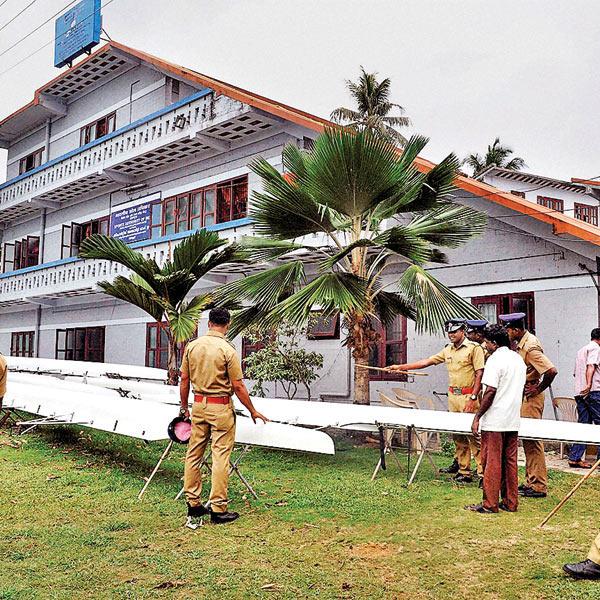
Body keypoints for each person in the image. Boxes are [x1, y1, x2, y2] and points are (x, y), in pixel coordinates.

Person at [180, 308, 268, 527]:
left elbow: (184, 380)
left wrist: (184, 407)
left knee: (193, 454)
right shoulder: (228, 350)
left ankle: (193, 502)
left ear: (209, 323)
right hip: (220, 408)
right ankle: (218, 508)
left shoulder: (192, 346)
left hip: (198, 404)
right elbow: (238, 385)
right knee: (220, 456)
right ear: (227, 324)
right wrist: (252, 410)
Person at [388, 318, 485, 483]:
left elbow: (479, 373)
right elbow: (427, 361)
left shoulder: (474, 349)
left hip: (469, 396)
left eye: (454, 332)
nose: (451, 335)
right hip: (453, 396)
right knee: (458, 435)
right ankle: (464, 471)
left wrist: (474, 396)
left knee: (474, 435)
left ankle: (484, 473)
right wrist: (401, 368)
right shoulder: (447, 350)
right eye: (449, 332)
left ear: (463, 331)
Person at [465, 325, 526, 513]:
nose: (485, 346)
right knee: (510, 461)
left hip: (495, 419)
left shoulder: (494, 360)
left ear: (493, 343)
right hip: (512, 419)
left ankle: (490, 504)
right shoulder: (518, 360)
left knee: (491, 461)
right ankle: (510, 502)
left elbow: (490, 390)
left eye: (486, 343)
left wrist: (477, 416)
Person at [500, 313, 557, 498]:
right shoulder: (522, 343)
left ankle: (539, 485)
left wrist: (538, 389)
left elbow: (551, 370)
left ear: (516, 329)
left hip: (531, 398)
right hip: (523, 395)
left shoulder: (530, 347)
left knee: (533, 441)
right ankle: (531, 480)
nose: (506, 332)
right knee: (527, 440)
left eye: (508, 329)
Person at [567, 328, 600, 468]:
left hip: (580, 393)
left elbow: (575, 373)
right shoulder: (596, 348)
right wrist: (588, 384)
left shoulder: (581, 350)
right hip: (593, 391)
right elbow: (591, 366)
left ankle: (575, 457)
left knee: (583, 425)